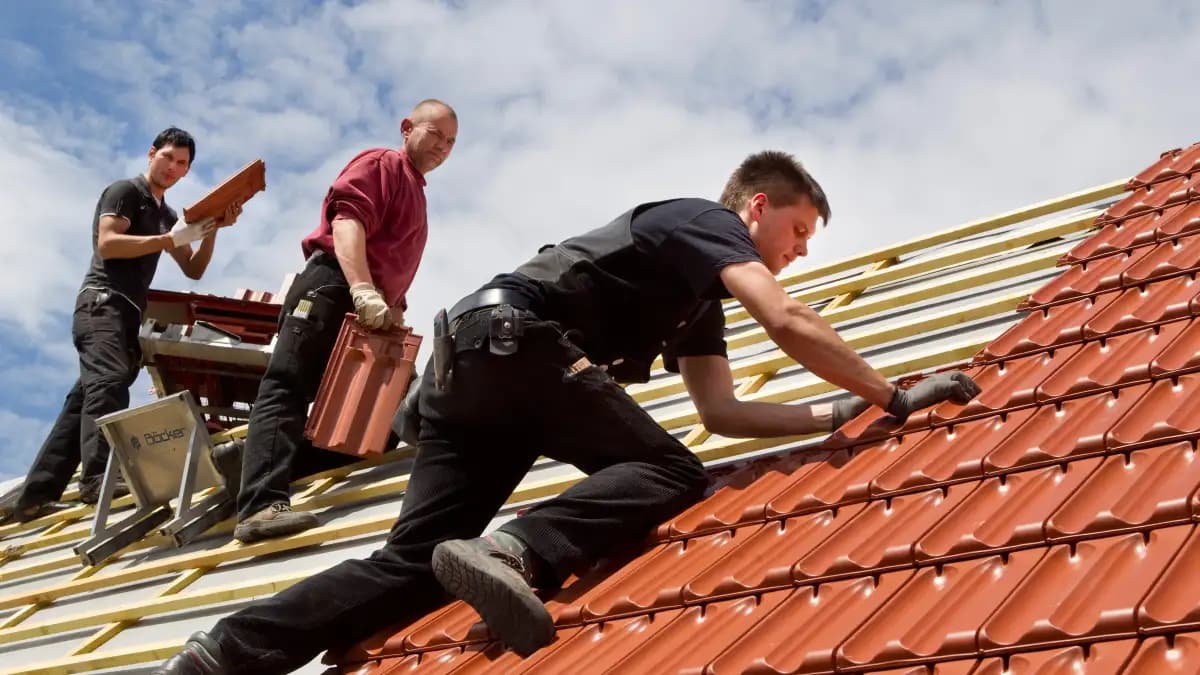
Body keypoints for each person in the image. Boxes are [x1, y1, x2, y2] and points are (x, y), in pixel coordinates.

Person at [154, 150, 980, 674]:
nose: (800, 251)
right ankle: (514, 548)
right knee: (668, 471)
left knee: (411, 566)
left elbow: (720, 409)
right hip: (515, 343)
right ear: (756, 208)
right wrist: (891, 394)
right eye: (798, 230)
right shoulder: (704, 223)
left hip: (470, 371)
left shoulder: (695, 301)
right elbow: (788, 320)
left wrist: (834, 414)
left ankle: (226, 650)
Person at [221, 99, 458, 545]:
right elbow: (348, 221)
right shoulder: (383, 163)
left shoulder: (416, 192)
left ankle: (250, 463)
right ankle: (259, 507)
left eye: (450, 143)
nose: (442, 147)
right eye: (435, 134)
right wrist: (363, 290)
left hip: (366, 307)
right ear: (407, 127)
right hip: (334, 284)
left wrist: (392, 317)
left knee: (373, 427)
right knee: (288, 384)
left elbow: (394, 265)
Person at [0, 128, 241, 524]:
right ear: (151, 154)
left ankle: (36, 494)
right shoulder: (125, 192)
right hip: (102, 303)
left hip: (128, 314)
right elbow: (108, 243)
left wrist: (212, 231)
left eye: (182, 164)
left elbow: (194, 269)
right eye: (168, 157)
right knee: (109, 382)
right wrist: (168, 239)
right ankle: (98, 479)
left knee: (85, 400)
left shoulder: (165, 215)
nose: (173, 167)